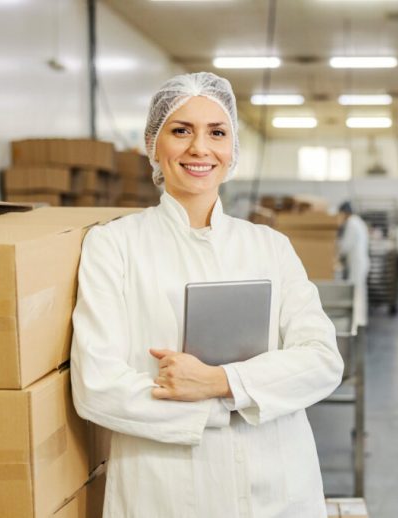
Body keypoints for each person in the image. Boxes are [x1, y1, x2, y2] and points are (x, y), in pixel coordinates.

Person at [70, 72, 344, 518]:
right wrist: (227, 408)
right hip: (168, 492)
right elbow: (97, 387)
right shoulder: (114, 246)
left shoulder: (269, 246)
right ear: (153, 143)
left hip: (278, 486)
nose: (200, 148)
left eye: (217, 132)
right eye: (181, 131)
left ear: (233, 148)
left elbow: (321, 360)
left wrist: (219, 383)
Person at [337, 201, 370, 327]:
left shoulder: (351, 224)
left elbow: (346, 245)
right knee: (360, 291)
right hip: (361, 261)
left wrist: (336, 251)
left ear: (345, 213)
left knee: (356, 291)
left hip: (357, 263)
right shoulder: (358, 222)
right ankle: (360, 319)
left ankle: (357, 320)